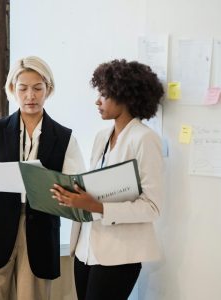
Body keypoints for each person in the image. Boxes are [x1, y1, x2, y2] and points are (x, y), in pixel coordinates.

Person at [0, 56, 85, 300]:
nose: (30, 95)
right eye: (23, 88)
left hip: (40, 231)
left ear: (48, 90)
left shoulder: (64, 138)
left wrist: (61, 190)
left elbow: (76, 191)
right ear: (13, 90)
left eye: (37, 88)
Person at [51, 59, 164, 300]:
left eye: (104, 94)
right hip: (85, 249)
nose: (97, 101)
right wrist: (71, 197)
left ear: (126, 96)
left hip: (119, 255)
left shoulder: (145, 139)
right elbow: (94, 189)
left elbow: (152, 207)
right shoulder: (102, 137)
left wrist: (97, 206)